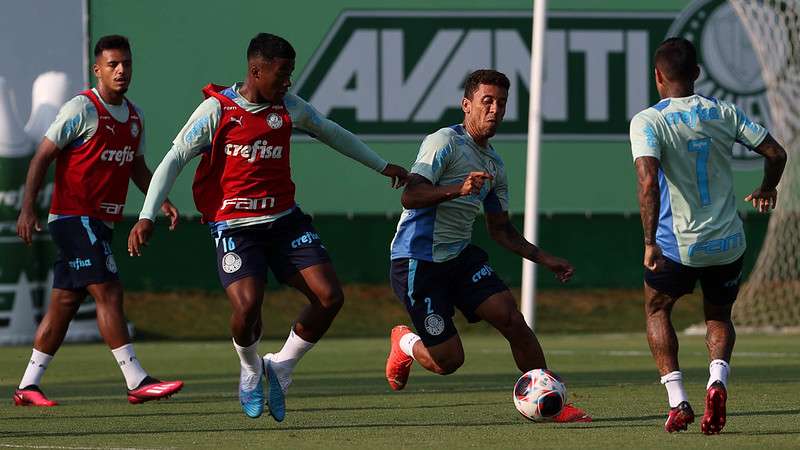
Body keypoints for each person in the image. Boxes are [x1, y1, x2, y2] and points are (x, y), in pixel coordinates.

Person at [127, 32, 408, 421]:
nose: (287, 82)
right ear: (256, 71)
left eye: (290, 74)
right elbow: (174, 159)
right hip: (236, 228)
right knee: (247, 308)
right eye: (281, 74)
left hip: (285, 222)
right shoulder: (217, 110)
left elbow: (333, 133)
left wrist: (382, 165)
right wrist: (146, 215)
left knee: (330, 297)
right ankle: (249, 368)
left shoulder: (290, 107)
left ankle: (282, 366)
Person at [384, 69, 590, 423]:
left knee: (512, 318)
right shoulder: (443, 142)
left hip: (460, 259)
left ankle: (551, 401)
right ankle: (404, 342)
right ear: (467, 105)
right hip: (417, 262)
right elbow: (410, 194)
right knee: (448, 361)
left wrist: (546, 259)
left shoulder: (494, 164)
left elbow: (501, 230)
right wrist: (458, 189)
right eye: (487, 101)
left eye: (502, 103)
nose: (495, 109)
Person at [14, 35, 184, 407]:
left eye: (126, 64)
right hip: (75, 218)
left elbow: (137, 168)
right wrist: (28, 208)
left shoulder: (135, 118)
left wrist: (161, 200)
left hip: (101, 222)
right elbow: (41, 157)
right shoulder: (81, 108)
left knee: (64, 302)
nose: (121, 70)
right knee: (109, 290)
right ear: (98, 70)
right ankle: (136, 379)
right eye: (113, 65)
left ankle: (28, 385)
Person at [630, 37, 787, 434]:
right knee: (718, 314)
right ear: (697, 74)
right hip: (728, 242)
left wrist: (649, 241)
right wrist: (767, 189)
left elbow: (648, 182)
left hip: (676, 245)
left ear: (657, 77)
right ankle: (717, 382)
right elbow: (776, 154)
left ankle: (677, 400)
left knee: (657, 309)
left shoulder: (649, 120)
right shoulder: (725, 112)